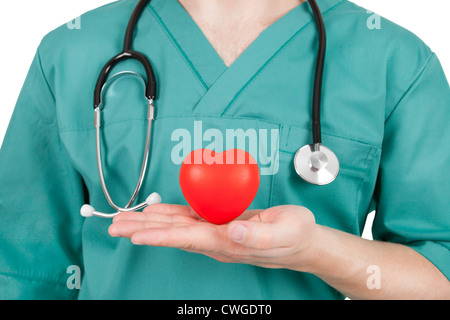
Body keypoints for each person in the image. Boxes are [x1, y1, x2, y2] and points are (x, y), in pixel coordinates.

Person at [0, 0, 449, 300]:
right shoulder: (72, 51)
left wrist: (314, 250)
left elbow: (440, 275)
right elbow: (22, 273)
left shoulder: (395, 60)